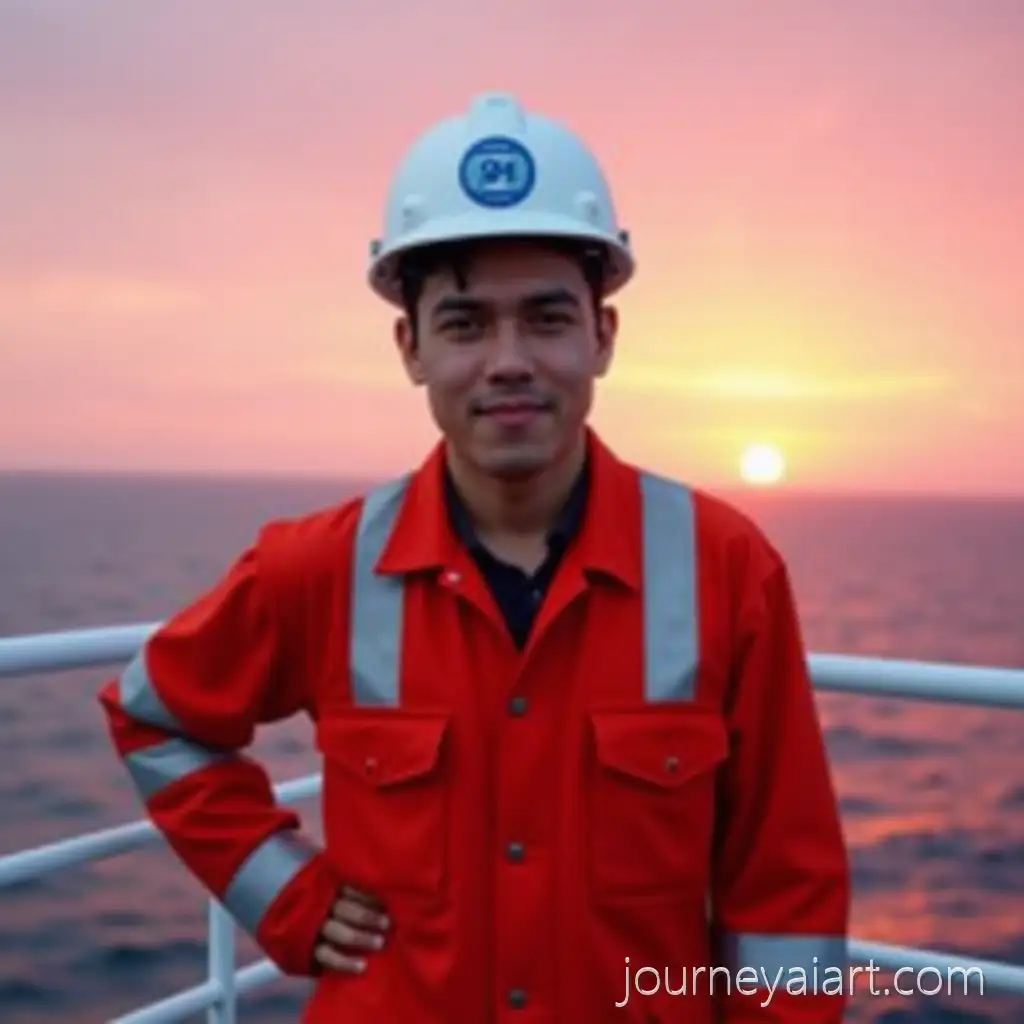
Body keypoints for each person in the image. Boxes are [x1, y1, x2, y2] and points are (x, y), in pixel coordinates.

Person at [98, 91, 850, 1022]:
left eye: (545, 318)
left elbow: (786, 887)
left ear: (602, 337)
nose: (508, 360)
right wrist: (285, 896)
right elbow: (153, 716)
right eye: (465, 324)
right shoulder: (319, 568)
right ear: (410, 348)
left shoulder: (726, 569)